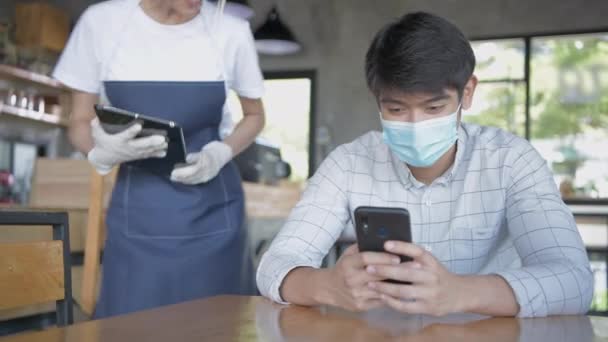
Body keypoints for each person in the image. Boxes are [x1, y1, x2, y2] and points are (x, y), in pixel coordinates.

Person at [256, 11, 593, 317]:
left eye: (433, 109)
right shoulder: (348, 164)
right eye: (397, 110)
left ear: (468, 93)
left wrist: (460, 293)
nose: (416, 125)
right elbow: (275, 264)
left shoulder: (511, 161)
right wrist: (328, 285)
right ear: (378, 101)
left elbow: (573, 280)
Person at [53, 0, 265, 318]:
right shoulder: (101, 24)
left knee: (218, 326)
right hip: (137, 213)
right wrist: (99, 152)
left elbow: (255, 116)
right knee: (131, 327)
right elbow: (79, 120)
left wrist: (220, 153)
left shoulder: (231, 30)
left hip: (214, 215)